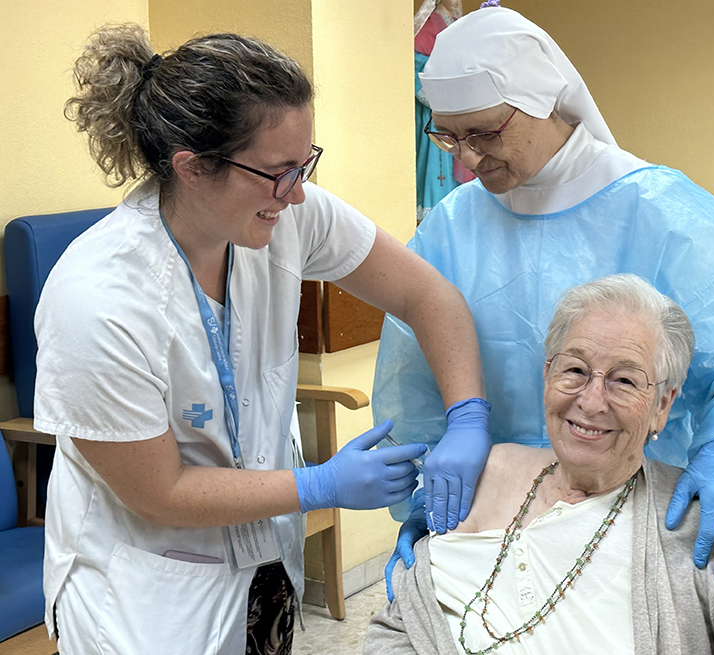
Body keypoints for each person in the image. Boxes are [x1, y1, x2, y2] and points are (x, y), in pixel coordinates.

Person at [36, 24, 487, 655]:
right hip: (147, 601)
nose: (297, 193)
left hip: (263, 569)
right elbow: (157, 490)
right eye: (278, 171)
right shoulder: (97, 301)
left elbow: (426, 295)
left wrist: (469, 415)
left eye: (305, 164)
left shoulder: (286, 212)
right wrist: (320, 486)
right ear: (191, 168)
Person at [374, 4, 714, 592]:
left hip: (640, 526)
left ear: (543, 99)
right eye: (449, 135)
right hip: (496, 526)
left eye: (484, 132)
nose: (467, 158)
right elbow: (416, 382)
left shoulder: (667, 216)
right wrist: (426, 495)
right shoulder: (452, 226)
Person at [365, 275, 714, 655]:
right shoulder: (480, 477)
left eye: (625, 380)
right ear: (546, 375)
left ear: (662, 406)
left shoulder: (704, 524)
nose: (590, 401)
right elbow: (398, 627)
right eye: (574, 370)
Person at [413, 0, 473, 223]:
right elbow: (416, 64)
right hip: (437, 107)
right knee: (438, 157)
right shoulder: (428, 25)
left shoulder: (458, 23)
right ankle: (435, 214)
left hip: (458, 105)